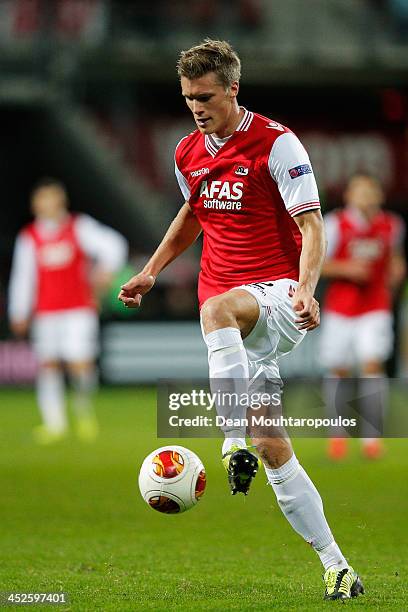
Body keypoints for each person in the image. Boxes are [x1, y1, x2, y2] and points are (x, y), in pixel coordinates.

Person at [118, 39, 364, 601]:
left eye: (205, 96)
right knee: (276, 448)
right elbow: (193, 213)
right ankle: (337, 566)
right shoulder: (187, 152)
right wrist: (153, 269)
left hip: (275, 294)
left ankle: (229, 439)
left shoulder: (277, 144)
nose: (197, 107)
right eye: (187, 98)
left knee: (214, 309)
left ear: (233, 88)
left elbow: (313, 225)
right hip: (237, 324)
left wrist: (305, 288)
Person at [8, 178, 128, 443]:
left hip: (78, 308)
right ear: (35, 204)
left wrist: (106, 270)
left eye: (52, 198)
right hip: (46, 311)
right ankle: (54, 423)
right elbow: (23, 276)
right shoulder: (29, 237)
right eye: (42, 199)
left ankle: (83, 412)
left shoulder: (79, 226)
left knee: (80, 363)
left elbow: (114, 245)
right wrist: (18, 310)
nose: (47, 204)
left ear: (61, 201)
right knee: (48, 364)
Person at [320, 173, 406, 460]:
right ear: (349, 196)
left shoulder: (392, 225)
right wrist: (347, 269)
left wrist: (396, 269)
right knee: (339, 369)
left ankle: (371, 438)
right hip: (340, 308)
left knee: (372, 363)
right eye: (360, 192)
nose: (366, 197)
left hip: (375, 307)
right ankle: (337, 435)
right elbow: (316, 265)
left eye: (371, 191)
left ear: (380, 196)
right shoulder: (334, 224)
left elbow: (394, 258)